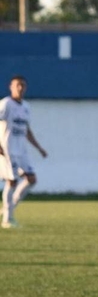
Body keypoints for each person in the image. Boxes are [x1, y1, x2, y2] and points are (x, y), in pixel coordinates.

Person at [0, 75, 48, 229]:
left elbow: (26, 130)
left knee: (31, 179)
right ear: (11, 87)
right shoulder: (6, 104)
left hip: (21, 151)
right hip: (7, 150)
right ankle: (7, 219)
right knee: (12, 181)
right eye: (17, 85)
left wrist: (39, 147)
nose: (20, 88)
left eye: (23, 85)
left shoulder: (26, 106)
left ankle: (8, 208)